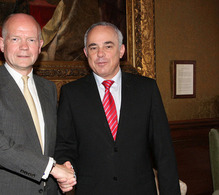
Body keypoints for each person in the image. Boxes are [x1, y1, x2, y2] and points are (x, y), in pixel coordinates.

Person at [55, 22, 181, 194]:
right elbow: (64, 144)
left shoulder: (146, 89)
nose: (100, 54)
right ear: (86, 53)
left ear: (121, 51)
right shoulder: (71, 93)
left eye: (108, 46)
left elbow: (163, 150)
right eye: (93, 48)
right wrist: (65, 163)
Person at [0, 13, 76, 195]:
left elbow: (52, 142)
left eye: (31, 40)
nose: (24, 47)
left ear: (40, 46)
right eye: (16, 38)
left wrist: (64, 172)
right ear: (2, 44)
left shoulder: (47, 88)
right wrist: (52, 168)